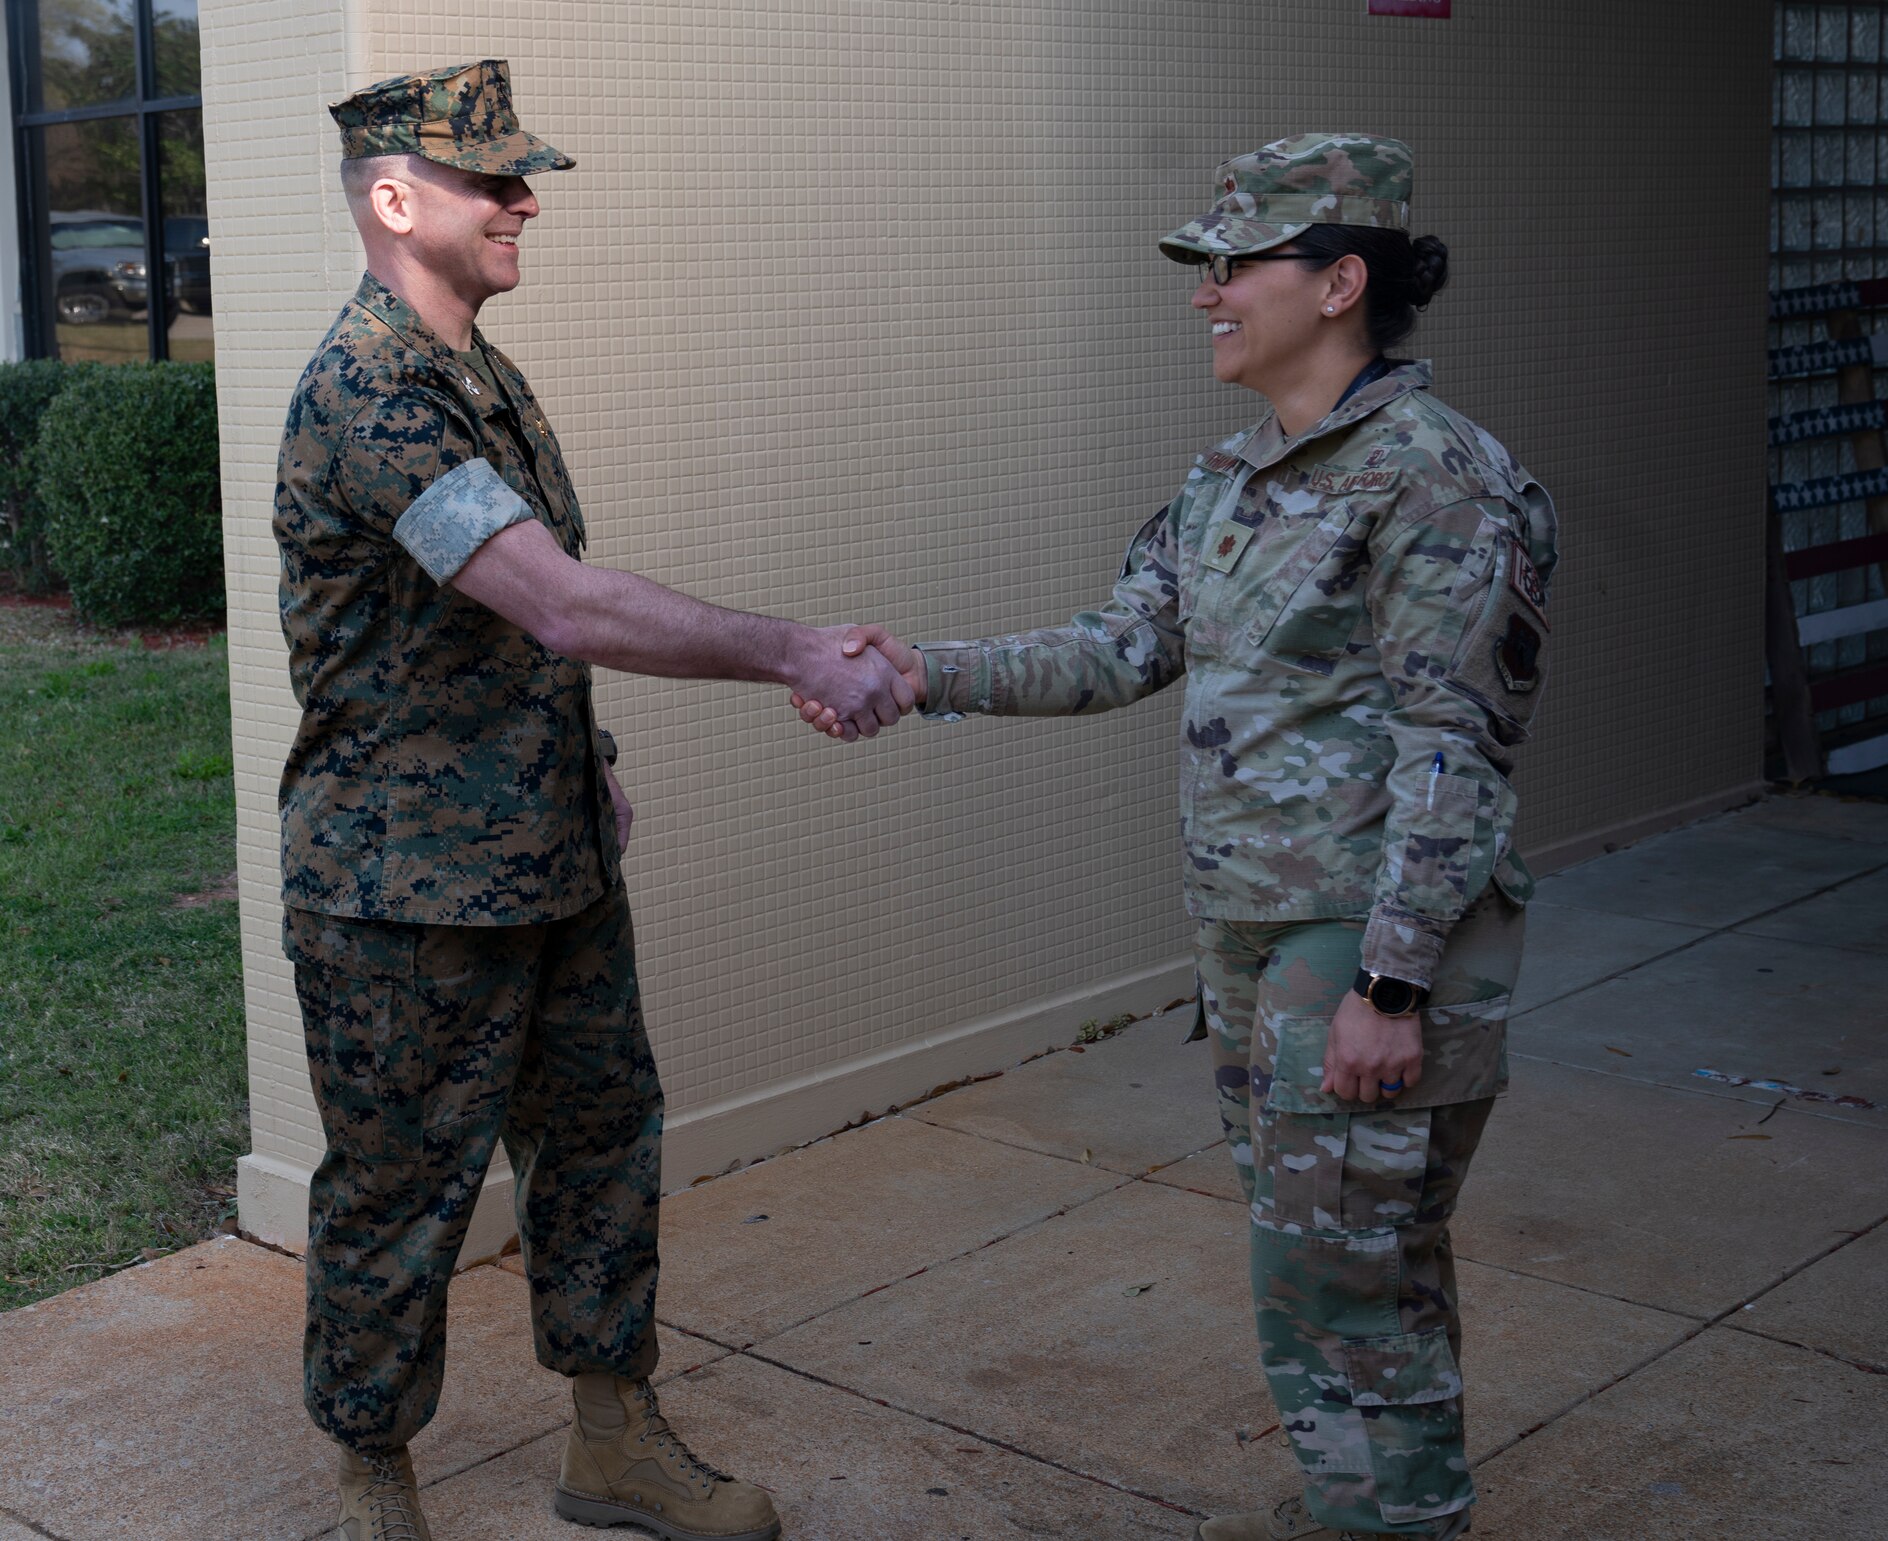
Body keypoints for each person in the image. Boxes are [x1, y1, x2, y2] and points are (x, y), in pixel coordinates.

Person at [800, 133, 1557, 1540]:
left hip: (1363, 944)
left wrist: (1392, 984)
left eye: (1230, 266)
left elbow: (1455, 745)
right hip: (1262, 943)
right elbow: (1122, 643)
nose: (1204, 295)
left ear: (1340, 282)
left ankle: (1395, 1520)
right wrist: (920, 673)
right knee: (1334, 1275)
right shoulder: (1234, 479)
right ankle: (1371, 1511)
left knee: (1343, 1290)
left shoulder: (1436, 480)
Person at [275, 60, 911, 1541]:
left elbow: (483, 638)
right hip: (405, 892)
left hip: (547, 856)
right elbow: (556, 605)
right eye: (493, 179)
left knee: (604, 1141)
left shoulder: (480, 375)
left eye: (521, 174)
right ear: (393, 198)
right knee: (399, 1195)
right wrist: (796, 649)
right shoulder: (372, 389)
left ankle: (614, 1436)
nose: (523, 199)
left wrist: (588, 769)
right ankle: (374, 1481)